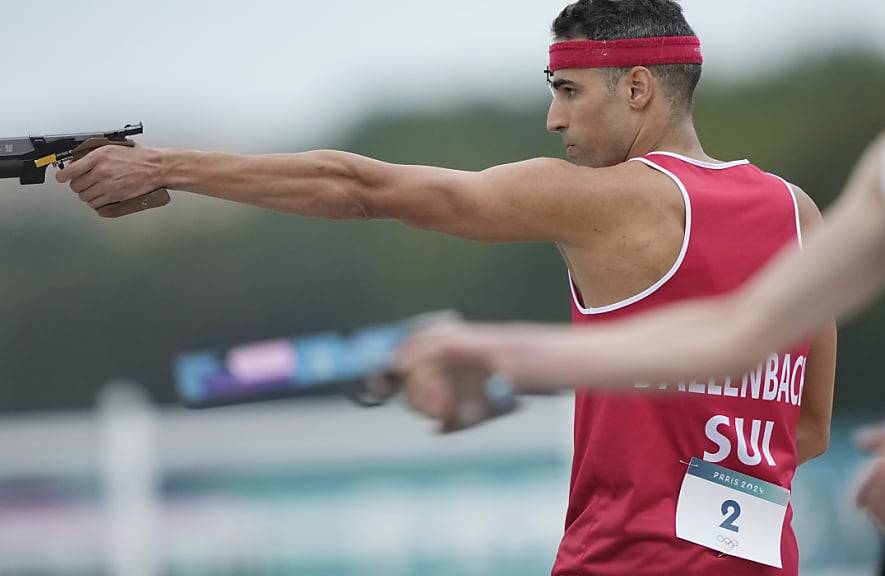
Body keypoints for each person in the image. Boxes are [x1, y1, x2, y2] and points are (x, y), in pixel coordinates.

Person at [55, 1, 835, 574]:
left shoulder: (609, 197)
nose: (551, 119)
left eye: (567, 90)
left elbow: (361, 187)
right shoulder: (797, 213)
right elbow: (803, 431)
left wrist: (163, 168)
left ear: (637, 89)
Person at [397, 0, 885, 574]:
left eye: (567, 91)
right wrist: (506, 357)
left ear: (639, 88)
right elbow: (748, 343)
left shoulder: (767, 204)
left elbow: (389, 192)